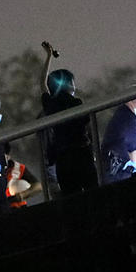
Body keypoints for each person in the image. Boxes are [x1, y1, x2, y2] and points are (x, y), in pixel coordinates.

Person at [39, 41, 98, 194]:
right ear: (68, 84)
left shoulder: (50, 104)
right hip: (81, 153)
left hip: (62, 158)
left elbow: (42, 84)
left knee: (71, 198)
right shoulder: (77, 103)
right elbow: (86, 125)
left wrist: (48, 57)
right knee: (94, 192)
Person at [100, 95, 136, 184]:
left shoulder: (124, 115)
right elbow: (132, 145)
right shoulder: (126, 118)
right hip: (118, 172)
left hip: (116, 169)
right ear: (131, 100)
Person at [3, 141, 43, 209]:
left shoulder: (18, 168)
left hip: (19, 207)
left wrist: (22, 195)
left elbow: (38, 186)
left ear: (8, 156)